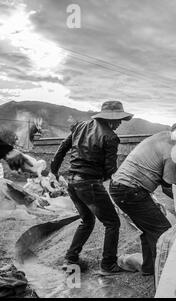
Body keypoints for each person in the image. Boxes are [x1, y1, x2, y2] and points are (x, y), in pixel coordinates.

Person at [110, 116, 176, 276]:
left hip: (121, 187)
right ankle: (163, 276)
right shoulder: (174, 153)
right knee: (163, 232)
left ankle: (149, 267)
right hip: (130, 191)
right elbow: (168, 187)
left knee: (147, 229)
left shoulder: (166, 135)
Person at [50, 101, 133, 275]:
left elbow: (62, 148)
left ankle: (71, 258)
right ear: (109, 119)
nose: (119, 123)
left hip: (72, 182)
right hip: (90, 184)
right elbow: (110, 170)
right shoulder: (110, 137)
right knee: (112, 223)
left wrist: (53, 171)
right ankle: (108, 265)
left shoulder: (80, 127)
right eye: (118, 120)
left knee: (87, 220)